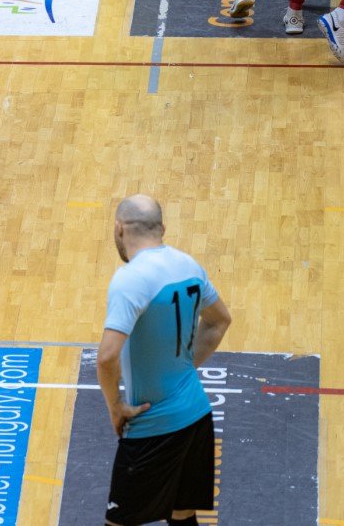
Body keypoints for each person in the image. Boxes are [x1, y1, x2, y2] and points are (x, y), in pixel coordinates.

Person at [97, 194, 231, 526]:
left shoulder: (131, 279)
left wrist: (116, 407)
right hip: (197, 417)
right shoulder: (189, 265)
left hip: (153, 427)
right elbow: (219, 321)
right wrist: (184, 367)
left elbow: (106, 357)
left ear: (119, 229)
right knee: (182, 515)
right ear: (162, 229)